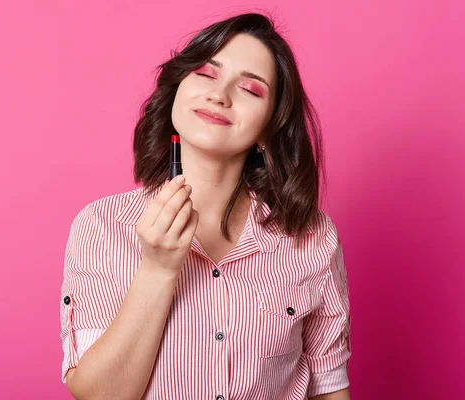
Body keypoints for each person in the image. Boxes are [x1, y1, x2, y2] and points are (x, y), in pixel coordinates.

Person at [59, 12, 352, 400]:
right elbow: (99, 395)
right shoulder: (102, 226)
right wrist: (158, 270)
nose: (220, 94)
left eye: (250, 89)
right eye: (205, 73)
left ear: (268, 128)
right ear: (177, 89)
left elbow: (328, 390)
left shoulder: (311, 237)